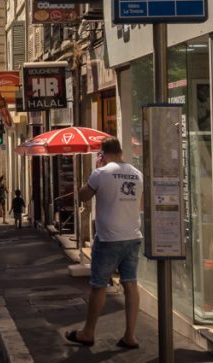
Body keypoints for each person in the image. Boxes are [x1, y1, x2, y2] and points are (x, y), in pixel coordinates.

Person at [66, 137, 143, 349]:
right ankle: (130, 336)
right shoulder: (137, 174)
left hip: (109, 238)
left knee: (99, 285)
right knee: (130, 284)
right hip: (133, 236)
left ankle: (88, 332)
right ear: (120, 152)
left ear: (103, 154)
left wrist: (94, 173)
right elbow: (141, 204)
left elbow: (82, 196)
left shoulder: (101, 173)